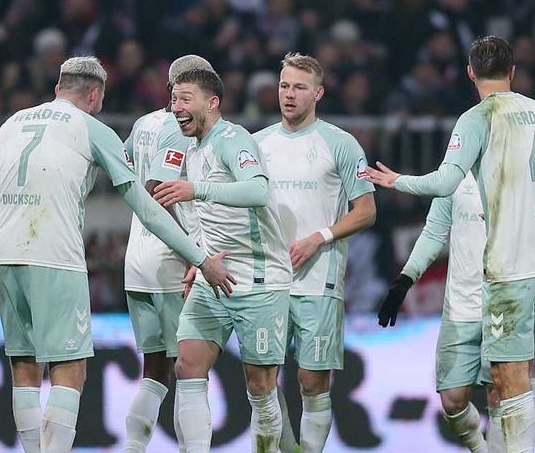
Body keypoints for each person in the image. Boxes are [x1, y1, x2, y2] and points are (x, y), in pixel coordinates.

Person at [365, 36, 535, 452]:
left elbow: (442, 179)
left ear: (470, 73)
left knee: (508, 384)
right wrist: (404, 280)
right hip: (527, 277)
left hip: (507, 277)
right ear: (512, 72)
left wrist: (394, 180)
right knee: (460, 398)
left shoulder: (477, 119)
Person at [0, 57, 234, 453]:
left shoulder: (11, 123)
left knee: (24, 365)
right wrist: (201, 258)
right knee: (70, 369)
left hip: (6, 255)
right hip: (57, 258)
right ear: (95, 95)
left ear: (57, 89)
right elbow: (150, 203)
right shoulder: (91, 127)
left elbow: (4, 196)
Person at [152, 68, 293, 452]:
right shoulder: (193, 149)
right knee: (187, 367)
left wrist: (195, 189)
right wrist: (197, 261)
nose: (175, 107)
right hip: (213, 278)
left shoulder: (234, 139)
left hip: (259, 280)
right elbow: (201, 216)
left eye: (185, 99)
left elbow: (258, 190)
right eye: (173, 99)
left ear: (212, 103)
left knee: (261, 385)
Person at [252, 53, 376, 453]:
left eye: (300, 87)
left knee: (311, 380)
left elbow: (366, 211)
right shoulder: (256, 145)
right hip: (268, 279)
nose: (289, 95)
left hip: (319, 278)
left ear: (318, 93)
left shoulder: (340, 143)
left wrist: (318, 237)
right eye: (284, 86)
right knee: (262, 379)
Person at [120, 54, 216, 453]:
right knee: (191, 369)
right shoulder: (178, 130)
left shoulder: (144, 123)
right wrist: (195, 252)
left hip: (135, 260)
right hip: (168, 261)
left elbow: (126, 166)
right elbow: (160, 190)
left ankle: (132, 448)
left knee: (155, 372)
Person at [378, 175, 502, 452]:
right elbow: (434, 232)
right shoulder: (454, 174)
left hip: (505, 302)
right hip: (461, 306)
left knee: (502, 393)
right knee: (452, 401)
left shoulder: (514, 164)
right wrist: (405, 280)